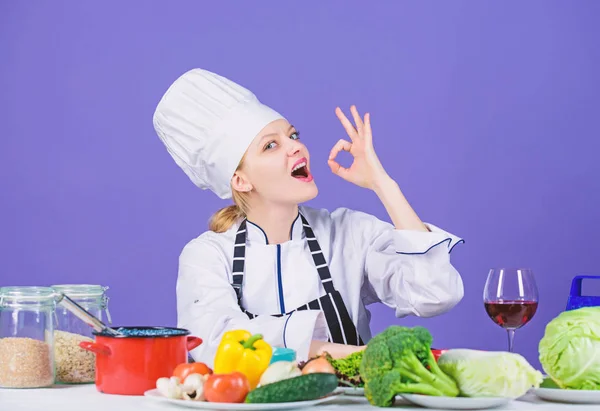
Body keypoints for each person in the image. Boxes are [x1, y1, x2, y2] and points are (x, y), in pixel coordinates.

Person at [153, 68, 464, 366]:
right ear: (240, 181)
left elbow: (435, 293)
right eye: (271, 145)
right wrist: (358, 357)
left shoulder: (347, 233)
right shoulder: (207, 256)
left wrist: (383, 184)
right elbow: (217, 344)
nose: (296, 147)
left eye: (293, 135)